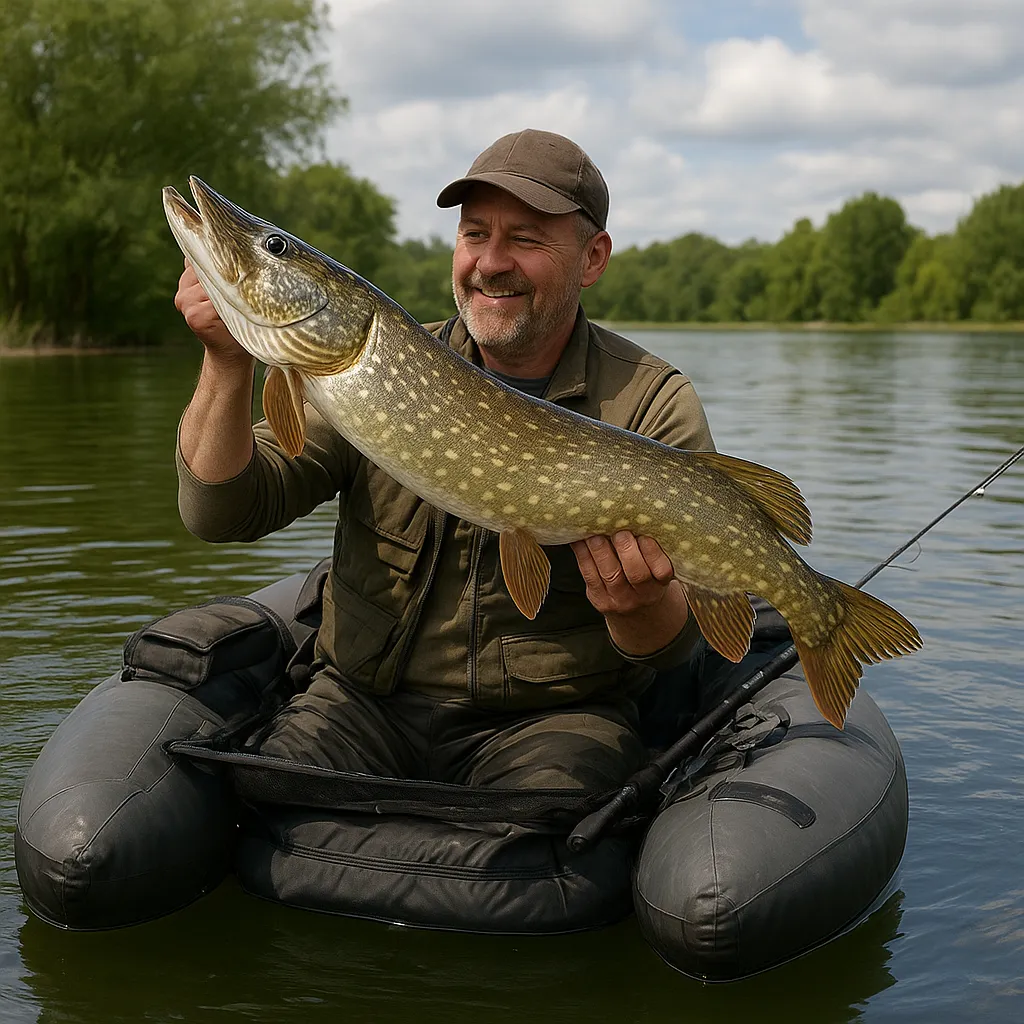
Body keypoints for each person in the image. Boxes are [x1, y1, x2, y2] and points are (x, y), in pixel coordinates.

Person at [174, 129, 715, 793]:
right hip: (360, 702)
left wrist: (637, 608)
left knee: (548, 833)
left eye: (525, 239)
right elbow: (221, 512)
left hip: (551, 721)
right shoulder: (362, 365)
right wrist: (226, 360)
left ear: (592, 258)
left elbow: (676, 645)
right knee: (265, 800)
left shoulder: (650, 402)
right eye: (474, 234)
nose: (491, 262)